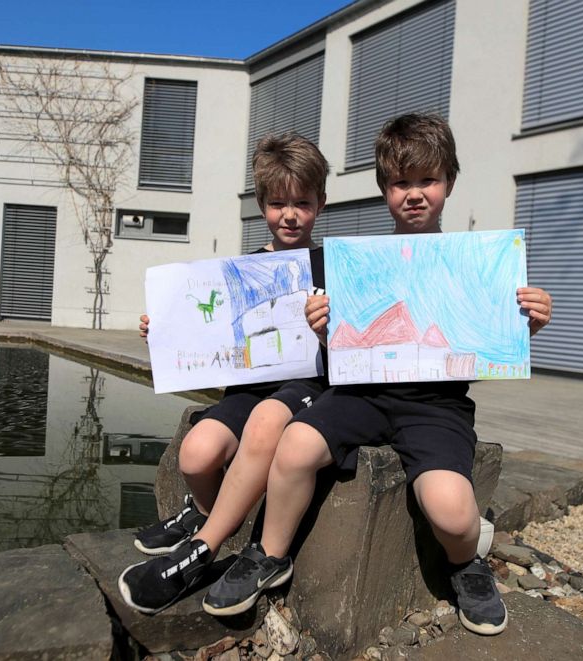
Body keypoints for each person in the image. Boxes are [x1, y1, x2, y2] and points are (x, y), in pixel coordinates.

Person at [199, 113, 553, 633]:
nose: (413, 194)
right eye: (399, 183)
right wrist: (323, 329)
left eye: (426, 181)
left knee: (452, 514)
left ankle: (466, 563)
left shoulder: (476, 264)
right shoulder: (357, 263)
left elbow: (491, 342)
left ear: (449, 183)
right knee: (294, 446)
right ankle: (270, 555)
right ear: (384, 189)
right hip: (360, 394)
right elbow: (342, 345)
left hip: (435, 406)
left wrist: (529, 321)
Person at [118, 133, 330, 614]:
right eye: (278, 204)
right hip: (247, 389)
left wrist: (327, 332)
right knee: (195, 455)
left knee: (268, 423)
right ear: (261, 206)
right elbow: (210, 336)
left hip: (308, 388)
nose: (290, 214)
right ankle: (205, 509)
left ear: (320, 201)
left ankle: (203, 548)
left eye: (302, 202)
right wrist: (166, 333)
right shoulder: (240, 270)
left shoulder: (333, 266)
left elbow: (355, 347)